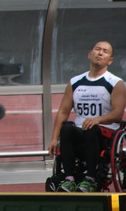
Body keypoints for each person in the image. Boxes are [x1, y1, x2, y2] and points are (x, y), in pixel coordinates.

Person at [48, 41, 125, 193]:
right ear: (90, 54)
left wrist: (97, 120)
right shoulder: (75, 82)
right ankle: (68, 179)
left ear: (110, 60)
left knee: (92, 129)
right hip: (81, 131)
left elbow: (117, 113)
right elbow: (63, 111)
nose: (100, 53)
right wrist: (54, 138)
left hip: (104, 133)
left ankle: (90, 179)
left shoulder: (115, 83)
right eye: (97, 49)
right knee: (67, 129)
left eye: (105, 51)